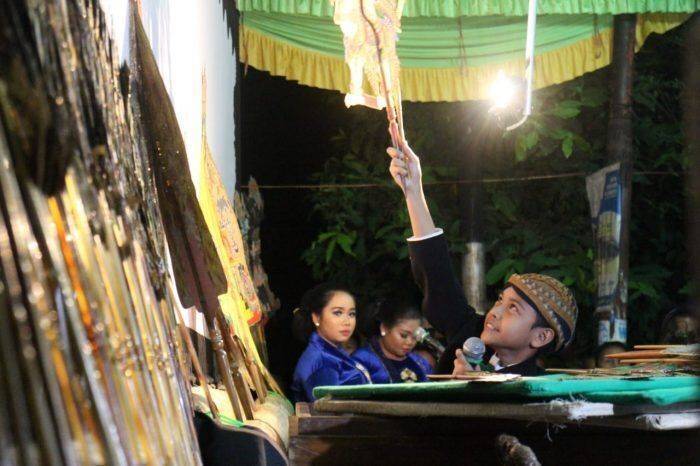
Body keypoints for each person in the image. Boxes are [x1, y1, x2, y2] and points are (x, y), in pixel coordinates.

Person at [387, 141, 578, 376]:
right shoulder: (471, 332)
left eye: (513, 308)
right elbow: (437, 276)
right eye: (500, 301)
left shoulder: (540, 387)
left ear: (541, 337)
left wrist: (471, 389)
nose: (495, 312)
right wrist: (413, 190)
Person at [291, 283, 370, 403]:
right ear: (316, 318)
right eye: (338, 313)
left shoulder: (330, 353)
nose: (347, 322)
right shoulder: (323, 363)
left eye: (351, 314)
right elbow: (333, 411)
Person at [353, 298, 433, 383]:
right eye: (403, 335)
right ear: (384, 328)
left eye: (415, 336)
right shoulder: (362, 361)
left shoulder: (420, 363)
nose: (410, 342)